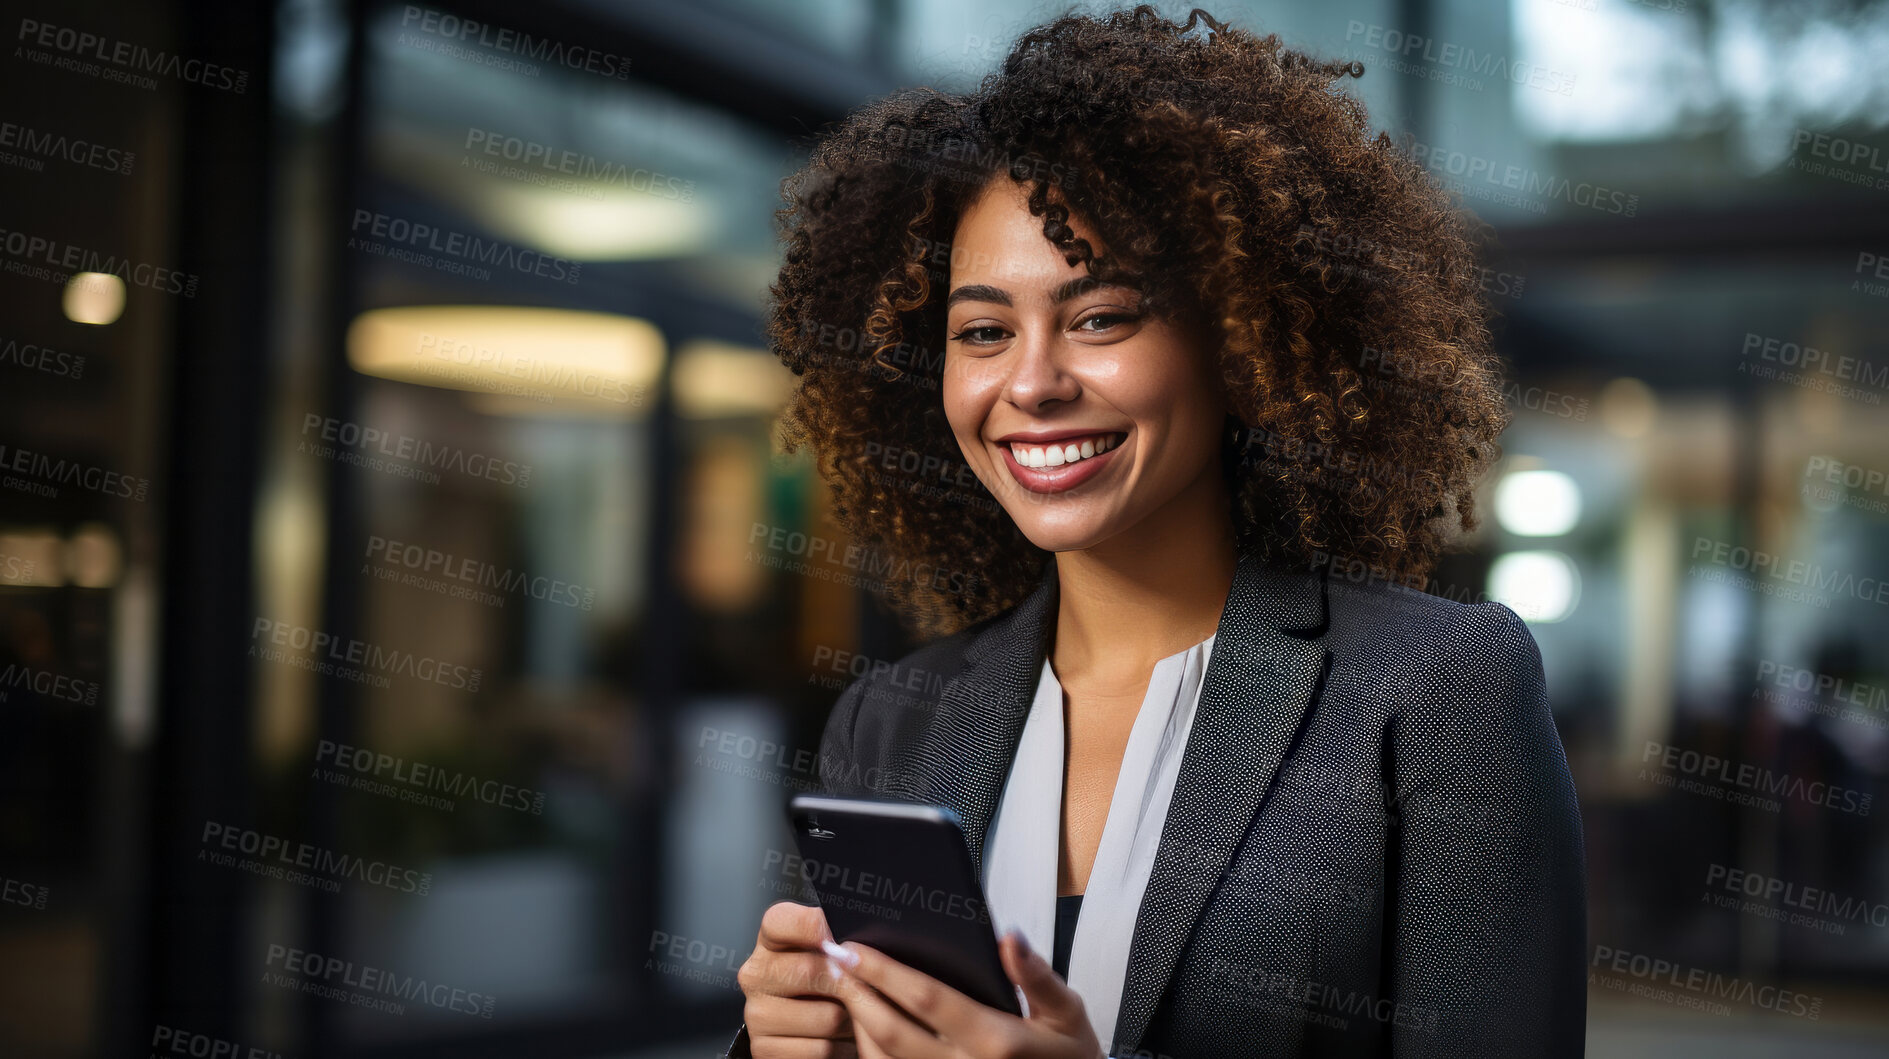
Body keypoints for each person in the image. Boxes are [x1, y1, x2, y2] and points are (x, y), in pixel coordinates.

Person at [728, 7, 1586, 1057]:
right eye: (983, 331)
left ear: (1239, 340)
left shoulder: (1437, 693)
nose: (1032, 383)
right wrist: (790, 1040)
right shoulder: (893, 722)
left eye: (1099, 318)